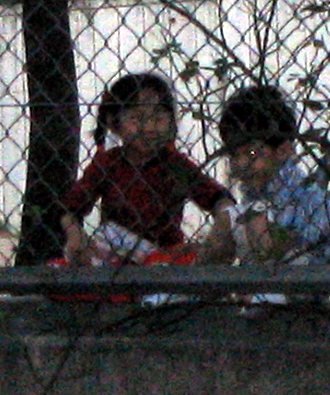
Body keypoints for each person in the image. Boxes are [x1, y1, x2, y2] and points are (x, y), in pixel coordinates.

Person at [59, 72, 235, 270]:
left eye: (158, 118)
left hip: (165, 258)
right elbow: (70, 208)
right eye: (137, 118)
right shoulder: (108, 163)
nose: (149, 127)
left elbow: (218, 198)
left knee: (195, 256)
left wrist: (222, 223)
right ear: (114, 124)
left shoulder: (175, 164)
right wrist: (75, 235)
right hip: (115, 255)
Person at [217, 84, 330, 305]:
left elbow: (309, 249)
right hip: (276, 273)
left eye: (252, 153)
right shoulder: (255, 189)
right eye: (234, 155)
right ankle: (195, 289)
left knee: (246, 219)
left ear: (283, 150)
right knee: (230, 220)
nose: (241, 163)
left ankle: (265, 295)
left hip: (305, 280)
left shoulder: (303, 191)